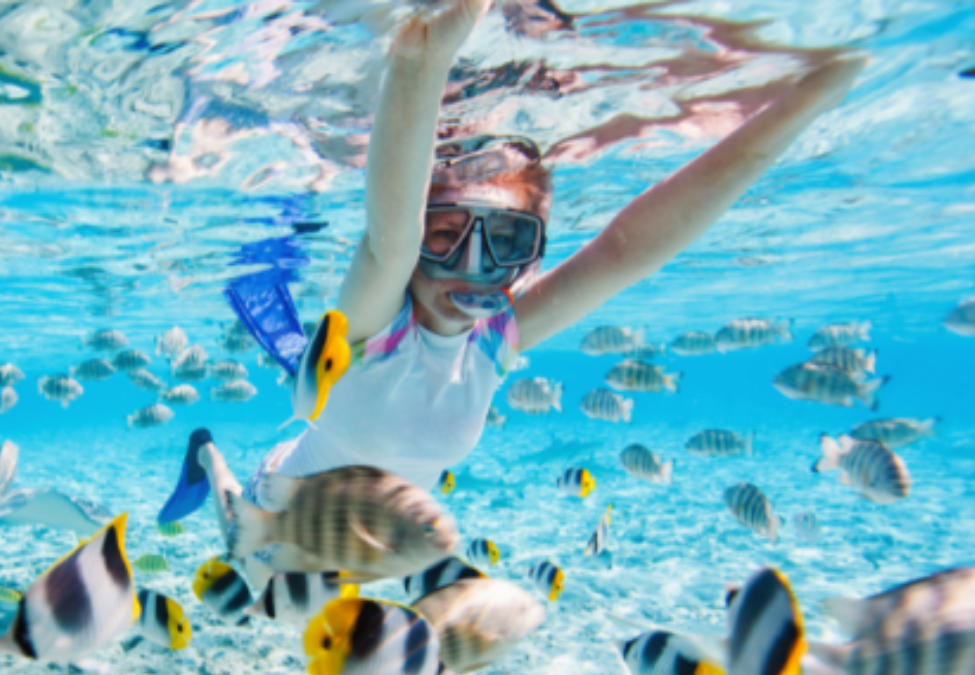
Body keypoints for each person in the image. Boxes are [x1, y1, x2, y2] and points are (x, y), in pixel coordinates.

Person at [160, 0, 864, 588]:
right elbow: (387, 243)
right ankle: (206, 455)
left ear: (531, 252)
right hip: (274, 521)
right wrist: (417, 64)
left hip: (368, 561)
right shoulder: (380, 325)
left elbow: (627, 250)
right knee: (230, 526)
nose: (472, 265)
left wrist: (798, 106)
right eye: (444, 233)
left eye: (506, 242)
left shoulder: (496, 339)